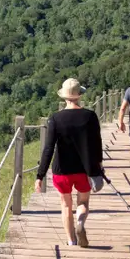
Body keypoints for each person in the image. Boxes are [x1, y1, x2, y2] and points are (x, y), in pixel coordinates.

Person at [35, 78, 103, 247]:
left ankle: (71, 241)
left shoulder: (56, 118)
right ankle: (80, 221)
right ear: (79, 96)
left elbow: (48, 148)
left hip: (62, 170)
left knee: (65, 205)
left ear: (64, 97)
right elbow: (97, 142)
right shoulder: (90, 116)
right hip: (84, 168)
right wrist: (99, 164)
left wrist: (40, 175)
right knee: (83, 202)